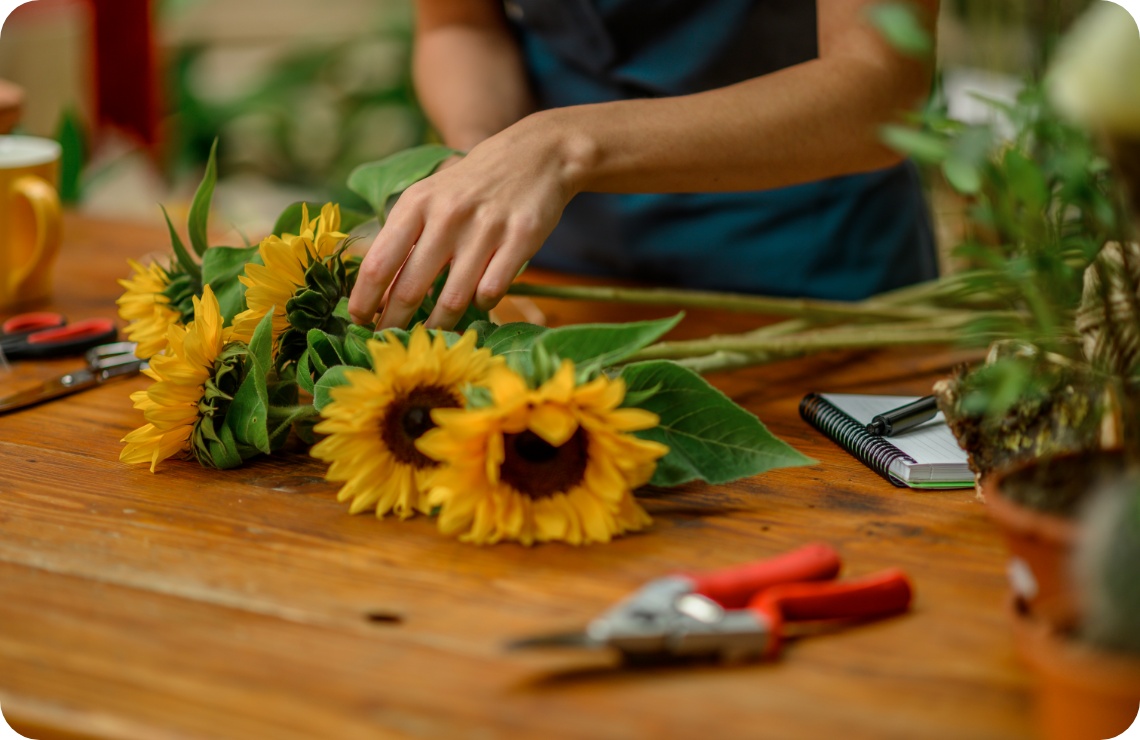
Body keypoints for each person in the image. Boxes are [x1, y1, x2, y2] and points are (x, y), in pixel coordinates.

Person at [348, 0, 940, 331]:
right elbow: (460, 23)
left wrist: (564, 146)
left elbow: (880, 91)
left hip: (814, 280)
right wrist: (481, 158)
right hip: (554, 275)